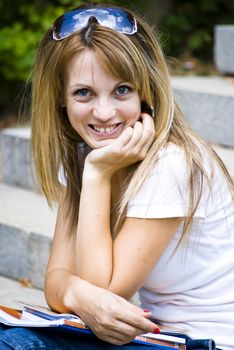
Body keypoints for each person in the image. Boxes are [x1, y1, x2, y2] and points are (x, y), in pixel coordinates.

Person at [1, 2, 234, 349]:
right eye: (84, 93)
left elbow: (104, 291)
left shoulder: (171, 164)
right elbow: (58, 283)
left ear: (147, 90)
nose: (105, 112)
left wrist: (96, 174)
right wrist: (75, 291)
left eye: (122, 90)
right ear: (60, 100)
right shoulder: (83, 153)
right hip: (153, 337)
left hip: (205, 341)